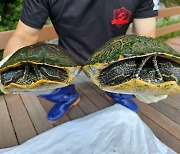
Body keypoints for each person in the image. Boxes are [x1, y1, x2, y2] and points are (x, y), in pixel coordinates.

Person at [3, 0, 166, 122]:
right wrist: (7, 65)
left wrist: (152, 72)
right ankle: (66, 95)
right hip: (68, 66)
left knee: (151, 81)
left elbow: (145, 39)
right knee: (18, 78)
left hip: (113, 65)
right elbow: (24, 35)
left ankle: (116, 89)